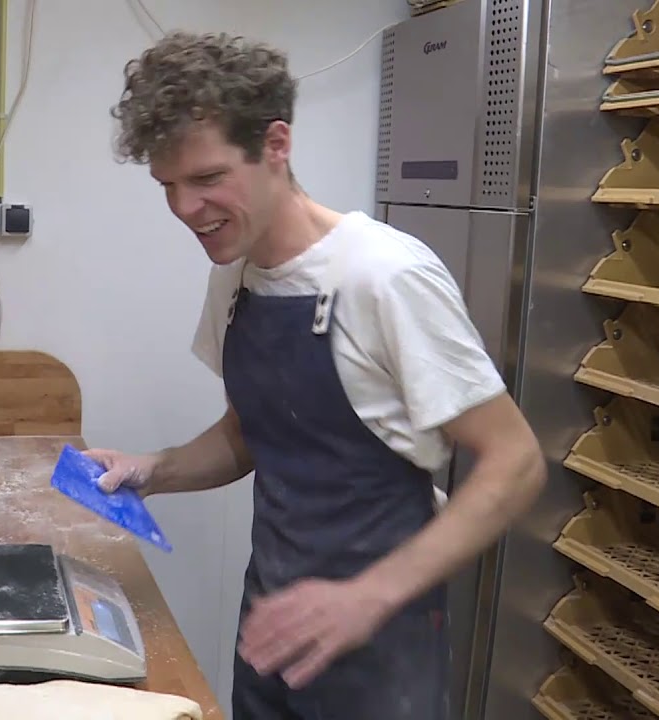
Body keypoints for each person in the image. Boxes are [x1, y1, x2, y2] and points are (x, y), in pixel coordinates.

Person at [88, 31, 547, 720]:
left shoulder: (385, 276)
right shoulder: (238, 273)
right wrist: (155, 469)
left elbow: (515, 461)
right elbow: (251, 435)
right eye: (168, 186)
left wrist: (370, 595)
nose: (185, 209)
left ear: (277, 145)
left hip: (379, 641)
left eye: (207, 179)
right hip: (274, 621)